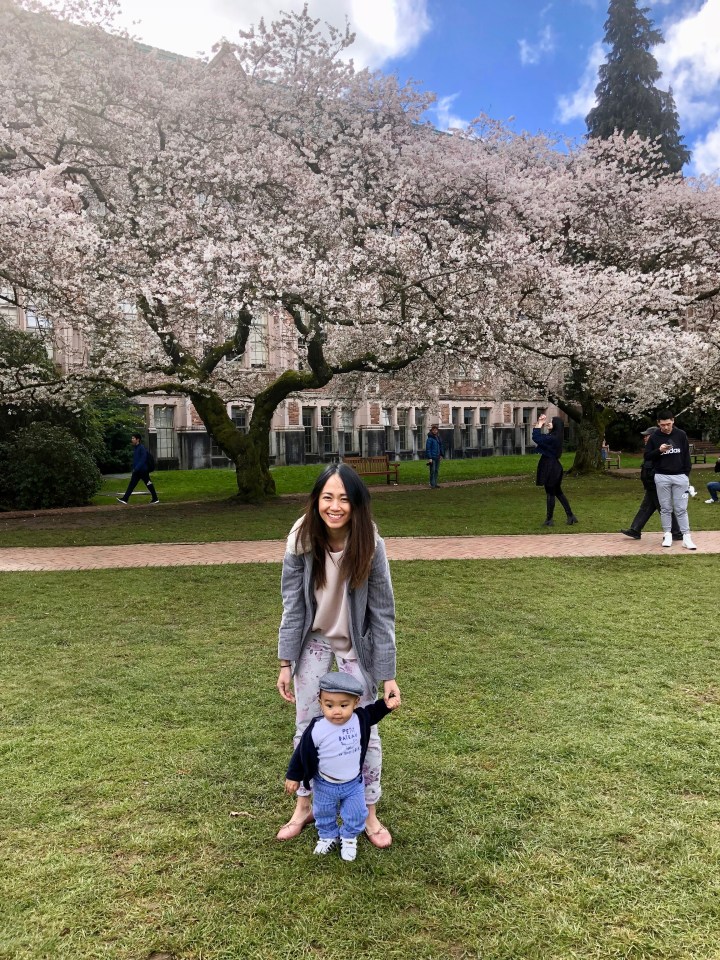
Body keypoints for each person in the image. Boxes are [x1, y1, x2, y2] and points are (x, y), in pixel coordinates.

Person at [276, 462, 401, 849]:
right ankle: (304, 807)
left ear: (356, 504)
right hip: (313, 639)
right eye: (327, 497)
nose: (334, 506)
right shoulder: (300, 540)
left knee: (364, 729)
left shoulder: (370, 543)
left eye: (344, 499)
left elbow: (382, 612)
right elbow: (293, 605)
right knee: (307, 725)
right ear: (316, 501)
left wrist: (387, 675)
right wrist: (285, 662)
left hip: (354, 642)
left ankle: (369, 813)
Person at [284, 672, 399, 862]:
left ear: (355, 702)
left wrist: (387, 705)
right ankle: (328, 836)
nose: (336, 711)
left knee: (356, 813)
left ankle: (349, 837)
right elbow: (301, 753)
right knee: (323, 812)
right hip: (324, 784)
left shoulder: (360, 719)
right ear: (320, 702)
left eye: (344, 705)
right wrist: (293, 776)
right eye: (329, 705)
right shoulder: (317, 728)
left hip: (353, 784)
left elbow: (375, 711)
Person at [643, 412, 695, 550]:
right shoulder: (655, 437)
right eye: (663, 425)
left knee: (681, 508)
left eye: (668, 424)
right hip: (662, 476)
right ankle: (667, 535)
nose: (666, 427)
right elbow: (647, 456)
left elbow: (686, 455)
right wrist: (659, 450)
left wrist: (686, 474)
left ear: (673, 421)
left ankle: (686, 537)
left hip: (680, 476)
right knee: (665, 508)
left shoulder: (681, 434)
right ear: (658, 423)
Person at [621, 427, 682, 541]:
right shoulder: (652, 450)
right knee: (646, 508)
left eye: (647, 435)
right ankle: (635, 529)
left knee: (664, 509)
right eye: (644, 436)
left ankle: (676, 532)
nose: (645, 438)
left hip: (658, 485)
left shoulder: (662, 450)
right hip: (651, 486)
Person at [532, 413, 578, 526]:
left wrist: (540, 423)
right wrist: (539, 424)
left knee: (551, 493)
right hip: (553, 466)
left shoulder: (553, 438)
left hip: (551, 467)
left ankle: (549, 519)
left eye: (551, 421)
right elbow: (541, 439)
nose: (549, 423)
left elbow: (537, 438)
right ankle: (570, 516)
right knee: (557, 492)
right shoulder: (554, 436)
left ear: (556, 425)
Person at [116, 433, 159, 505]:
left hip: (143, 471)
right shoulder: (136, 448)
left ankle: (155, 498)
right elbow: (136, 460)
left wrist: (136, 468)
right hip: (138, 471)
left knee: (148, 484)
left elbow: (143, 459)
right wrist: (135, 468)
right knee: (132, 484)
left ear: (138, 439)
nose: (132, 440)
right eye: (132, 438)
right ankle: (125, 499)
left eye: (133, 438)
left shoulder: (141, 448)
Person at [425, 423, 444, 489]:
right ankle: (432, 484)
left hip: (438, 456)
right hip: (432, 457)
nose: (435, 431)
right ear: (432, 430)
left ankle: (435, 483)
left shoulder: (438, 438)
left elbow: (441, 446)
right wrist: (429, 458)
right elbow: (428, 449)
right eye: (434, 430)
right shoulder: (430, 439)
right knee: (432, 471)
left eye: (436, 430)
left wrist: (441, 455)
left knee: (436, 470)